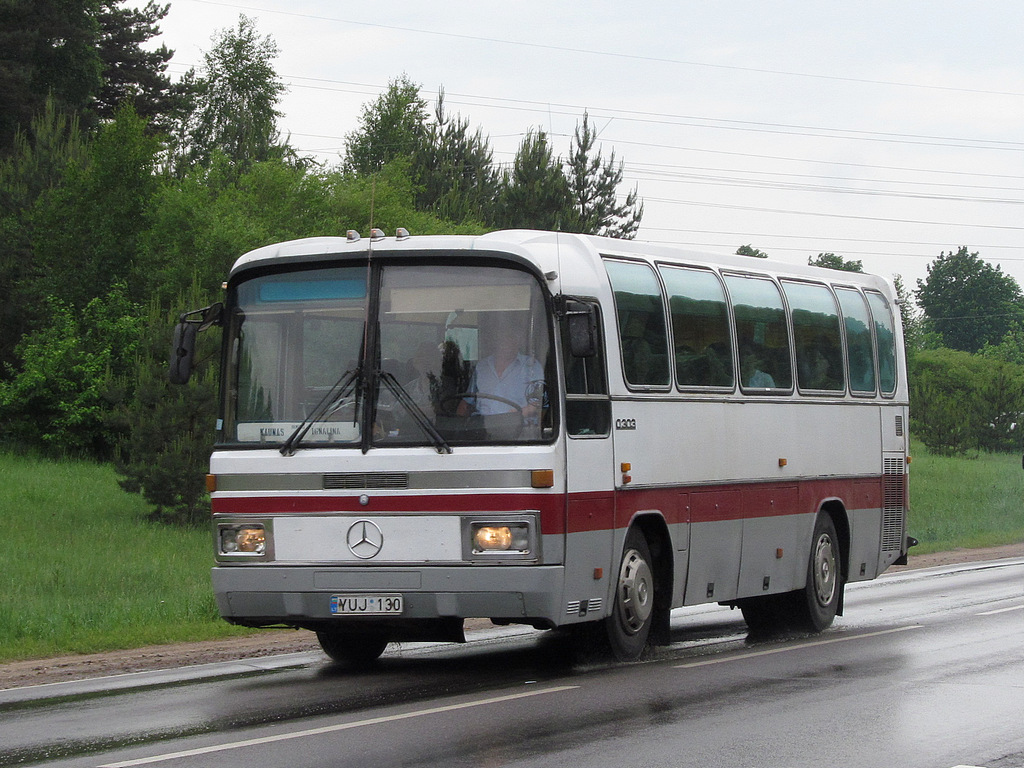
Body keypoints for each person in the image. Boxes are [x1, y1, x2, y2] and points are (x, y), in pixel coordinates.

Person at [459, 321, 544, 419]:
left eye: (510, 338)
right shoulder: (482, 366)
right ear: (495, 342)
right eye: (502, 338)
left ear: (518, 341)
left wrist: (517, 415)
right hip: (482, 427)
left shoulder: (531, 366)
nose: (506, 342)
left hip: (519, 429)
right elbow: (466, 401)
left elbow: (539, 403)